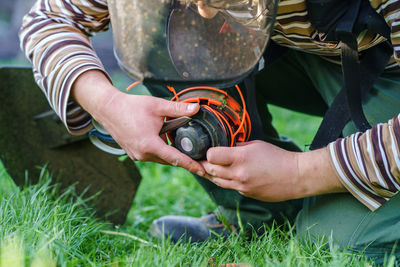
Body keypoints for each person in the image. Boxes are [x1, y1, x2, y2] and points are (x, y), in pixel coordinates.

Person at [20, 0, 400, 263]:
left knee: (341, 245)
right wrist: (108, 104)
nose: (200, 9)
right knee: (162, 33)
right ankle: (256, 211)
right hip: (301, 49)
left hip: (388, 66)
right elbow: (47, 19)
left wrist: (302, 174)